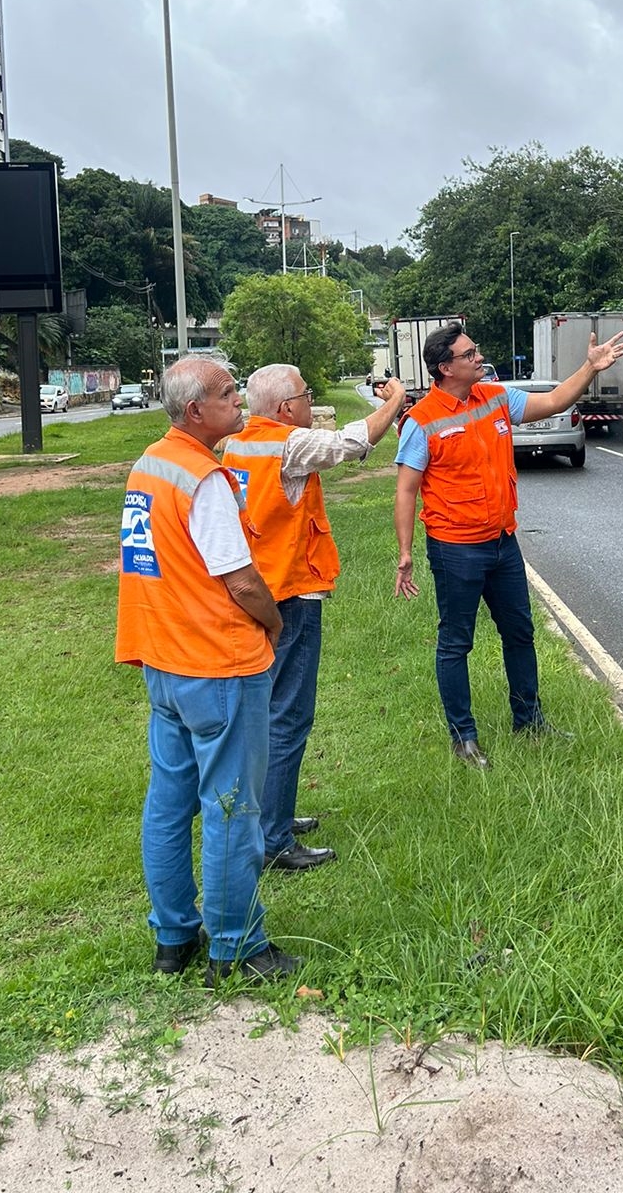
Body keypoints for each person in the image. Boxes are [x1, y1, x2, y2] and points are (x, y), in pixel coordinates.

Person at [117, 356, 297, 987]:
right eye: (228, 395)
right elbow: (242, 580)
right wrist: (274, 624)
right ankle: (236, 944)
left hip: (162, 661)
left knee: (168, 803)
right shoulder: (206, 479)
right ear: (196, 411)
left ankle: (173, 936)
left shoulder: (148, 465)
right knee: (230, 808)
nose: (239, 404)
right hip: (217, 666)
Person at [393, 323, 622, 767]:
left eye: (476, 350)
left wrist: (589, 369)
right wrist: (405, 553)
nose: (479, 357)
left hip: (502, 542)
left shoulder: (495, 396)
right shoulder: (421, 421)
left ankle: (529, 721)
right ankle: (464, 737)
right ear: (445, 368)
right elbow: (406, 490)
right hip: (455, 548)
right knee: (456, 642)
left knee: (520, 633)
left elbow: (554, 401)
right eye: (469, 353)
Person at [222, 365, 411, 874]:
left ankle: (270, 817)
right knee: (288, 717)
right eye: (306, 396)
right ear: (286, 408)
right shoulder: (289, 445)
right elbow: (350, 442)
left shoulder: (239, 441)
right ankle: (273, 840)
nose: (311, 404)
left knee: (264, 714)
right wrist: (395, 402)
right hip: (290, 593)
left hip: (256, 592)